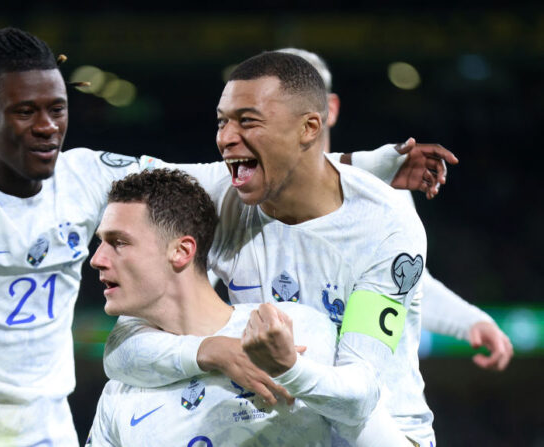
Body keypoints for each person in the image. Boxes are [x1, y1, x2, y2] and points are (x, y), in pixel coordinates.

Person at [0, 20, 450, 446]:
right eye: (25, 111)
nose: (45, 126)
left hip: (51, 430)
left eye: (56, 109)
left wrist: (377, 163)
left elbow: (360, 394)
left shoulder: (85, 176)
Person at [103, 51, 439, 445]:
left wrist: (289, 366)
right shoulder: (222, 196)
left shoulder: (384, 228)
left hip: (379, 432)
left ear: (310, 127)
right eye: (222, 121)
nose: (226, 138)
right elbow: (120, 354)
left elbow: (360, 396)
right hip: (286, 427)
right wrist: (212, 350)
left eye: (247, 121)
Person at [87, 168, 410, 446]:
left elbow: (367, 418)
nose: (97, 259)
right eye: (101, 242)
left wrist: (291, 368)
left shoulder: (291, 330)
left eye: (119, 242)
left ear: (181, 251)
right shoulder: (123, 385)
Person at [275, 47, 513, 371]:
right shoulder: (242, 197)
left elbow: (406, 283)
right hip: (282, 402)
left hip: (373, 401)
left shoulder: (382, 187)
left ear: (330, 108)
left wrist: (469, 321)